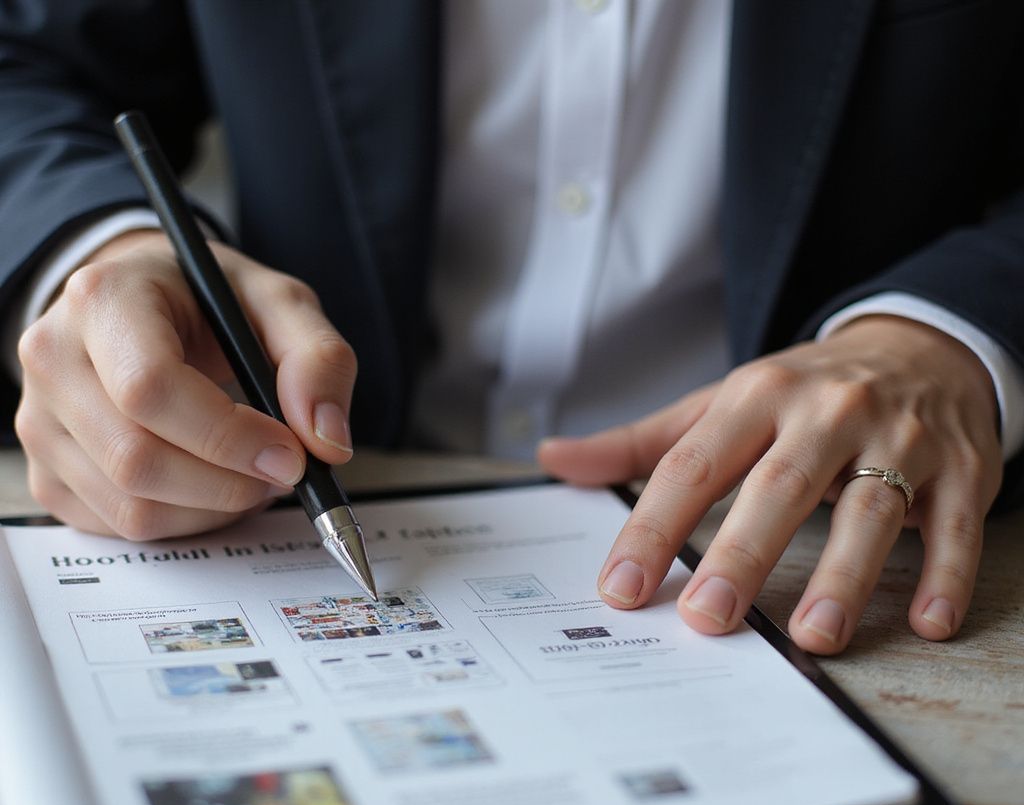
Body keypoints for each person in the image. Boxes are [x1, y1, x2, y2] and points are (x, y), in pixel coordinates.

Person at [1, 1, 1021, 657]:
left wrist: (948, 332)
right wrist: (99, 254)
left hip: (831, 528)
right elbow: (28, 65)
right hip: (327, 473)